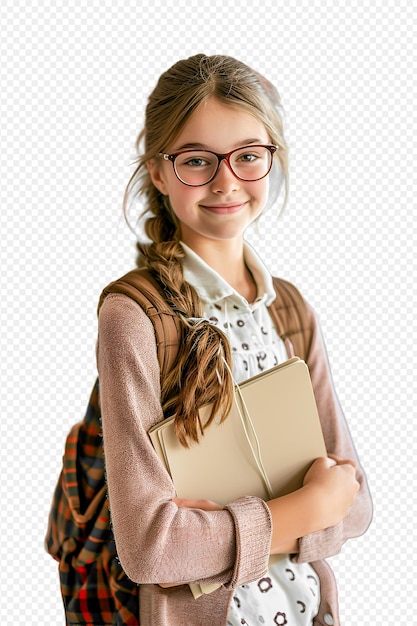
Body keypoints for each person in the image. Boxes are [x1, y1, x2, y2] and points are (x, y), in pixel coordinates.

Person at [97, 54, 372, 626]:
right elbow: (154, 549)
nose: (226, 181)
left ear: (272, 160)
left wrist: (213, 535)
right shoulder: (135, 316)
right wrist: (306, 507)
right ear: (157, 170)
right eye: (197, 161)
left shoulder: (292, 309)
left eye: (248, 156)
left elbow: (357, 503)